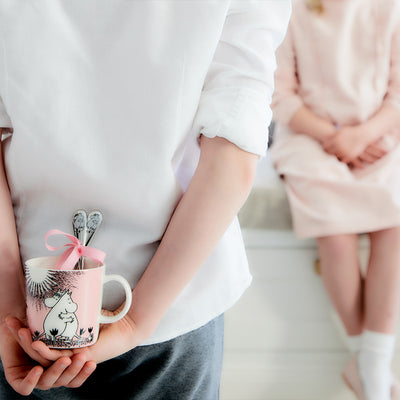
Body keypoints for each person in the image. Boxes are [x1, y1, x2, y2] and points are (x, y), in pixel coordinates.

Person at [0, 1, 291, 399]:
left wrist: (11, 310)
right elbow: (233, 152)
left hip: (29, 305)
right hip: (175, 301)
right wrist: (136, 322)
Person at [269, 0, 400, 399]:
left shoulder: (389, 8)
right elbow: (280, 94)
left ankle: (373, 361)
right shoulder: (292, 9)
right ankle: (368, 366)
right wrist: (334, 135)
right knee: (335, 233)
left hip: (379, 136)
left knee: (395, 226)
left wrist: (362, 135)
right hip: (312, 139)